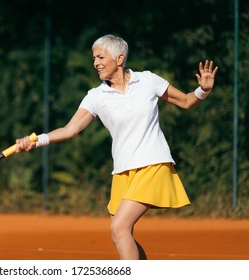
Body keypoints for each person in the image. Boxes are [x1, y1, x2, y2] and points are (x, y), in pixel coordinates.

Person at [15, 34, 218, 260]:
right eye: (94, 58)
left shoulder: (148, 80)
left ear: (119, 58)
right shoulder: (96, 96)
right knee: (120, 234)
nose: (95, 63)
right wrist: (35, 141)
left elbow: (186, 101)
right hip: (123, 171)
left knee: (119, 228)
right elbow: (70, 129)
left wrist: (203, 90)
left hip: (153, 164)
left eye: (101, 57)